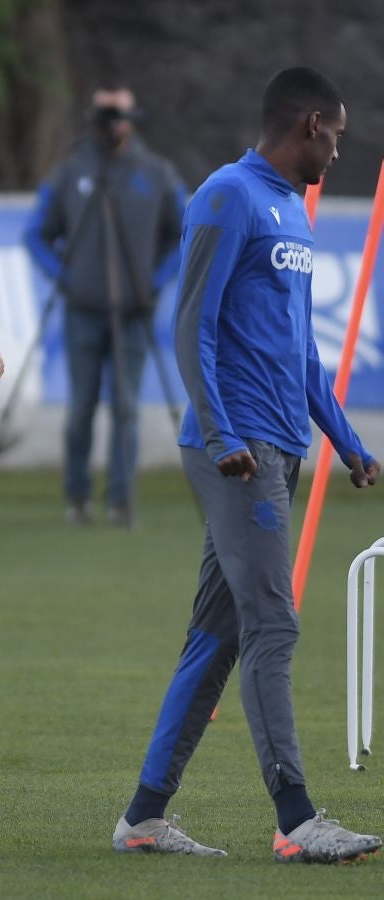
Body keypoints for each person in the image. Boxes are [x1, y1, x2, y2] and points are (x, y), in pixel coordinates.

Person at [112, 66, 381, 864]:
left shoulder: (292, 215)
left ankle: (143, 819)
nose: (335, 151)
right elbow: (190, 320)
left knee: (217, 637)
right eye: (333, 134)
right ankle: (297, 819)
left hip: (279, 446)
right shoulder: (226, 194)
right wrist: (221, 431)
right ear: (306, 124)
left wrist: (346, 438)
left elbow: (299, 352)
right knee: (274, 621)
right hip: (236, 452)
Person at [25, 83, 185, 527]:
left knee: (126, 406)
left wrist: (155, 282)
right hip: (83, 309)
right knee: (81, 408)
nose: (114, 124)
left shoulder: (156, 173)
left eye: (121, 115)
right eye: (106, 115)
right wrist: (64, 277)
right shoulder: (71, 170)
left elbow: (182, 233)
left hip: (135, 310)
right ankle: (77, 497)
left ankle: (121, 500)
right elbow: (36, 233)